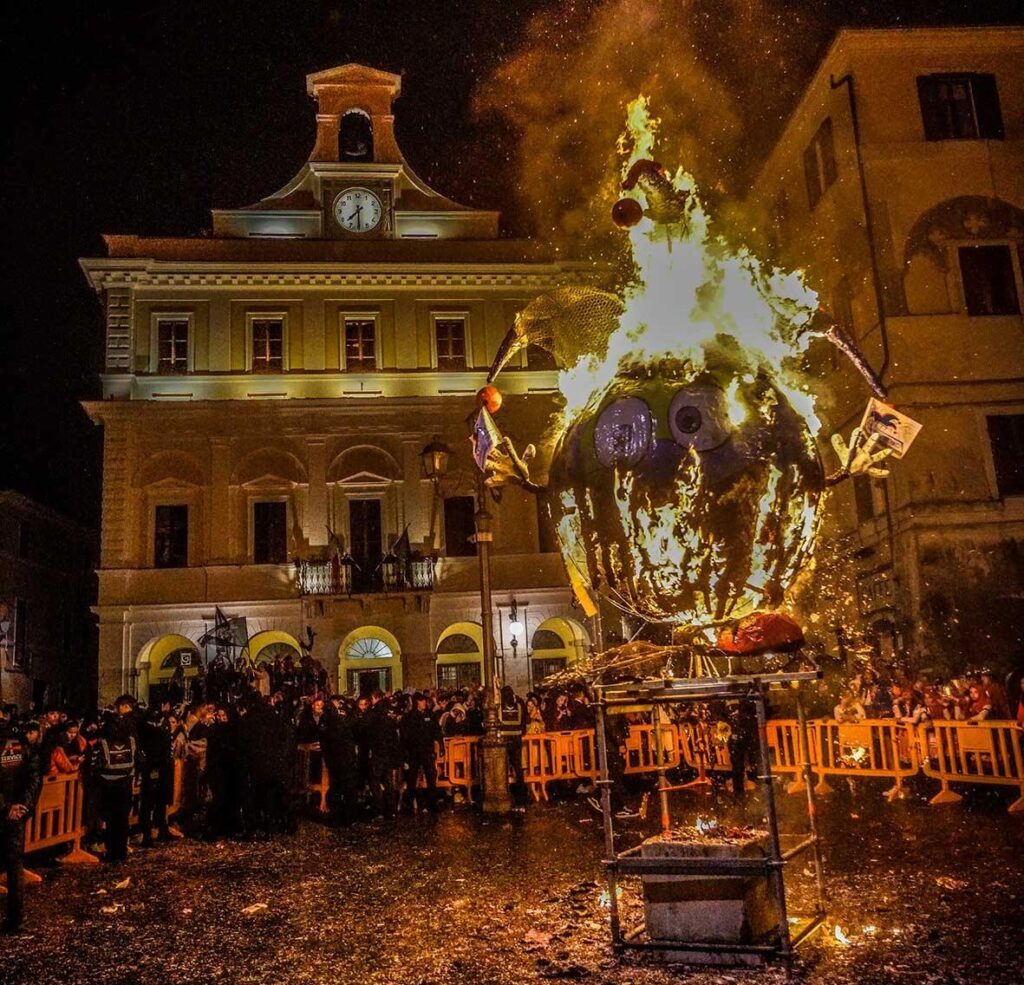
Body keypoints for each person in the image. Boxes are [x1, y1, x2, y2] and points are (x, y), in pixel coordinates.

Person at [1, 715, 42, 934]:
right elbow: (35, 778)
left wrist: (6, 808)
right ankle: (16, 919)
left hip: (7, 811)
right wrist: (24, 806)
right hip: (17, 814)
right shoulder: (23, 745)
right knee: (15, 864)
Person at [93, 697, 141, 863]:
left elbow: (96, 764)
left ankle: (112, 852)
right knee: (122, 819)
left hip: (107, 783)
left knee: (110, 819)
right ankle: (121, 852)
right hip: (125, 781)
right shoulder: (132, 740)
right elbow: (138, 759)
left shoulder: (104, 742)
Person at [138, 711, 176, 845]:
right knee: (149, 802)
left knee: (161, 800)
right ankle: (147, 834)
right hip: (154, 767)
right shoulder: (148, 726)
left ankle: (161, 828)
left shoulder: (161, 724)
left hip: (163, 766)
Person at [400, 693, 442, 813]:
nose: (424, 703)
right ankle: (409, 803)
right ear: (416, 702)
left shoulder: (430, 715)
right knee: (412, 778)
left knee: (431, 776)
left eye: (425, 701)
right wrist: (405, 753)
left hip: (427, 751)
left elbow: (437, 731)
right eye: (422, 701)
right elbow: (404, 737)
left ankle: (432, 803)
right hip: (414, 752)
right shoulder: (408, 717)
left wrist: (440, 745)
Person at [498, 685, 527, 806]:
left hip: (504, 741)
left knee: (503, 768)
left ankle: (505, 793)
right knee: (518, 768)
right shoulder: (519, 707)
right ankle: (521, 795)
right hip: (517, 740)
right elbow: (525, 723)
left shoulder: (499, 708)